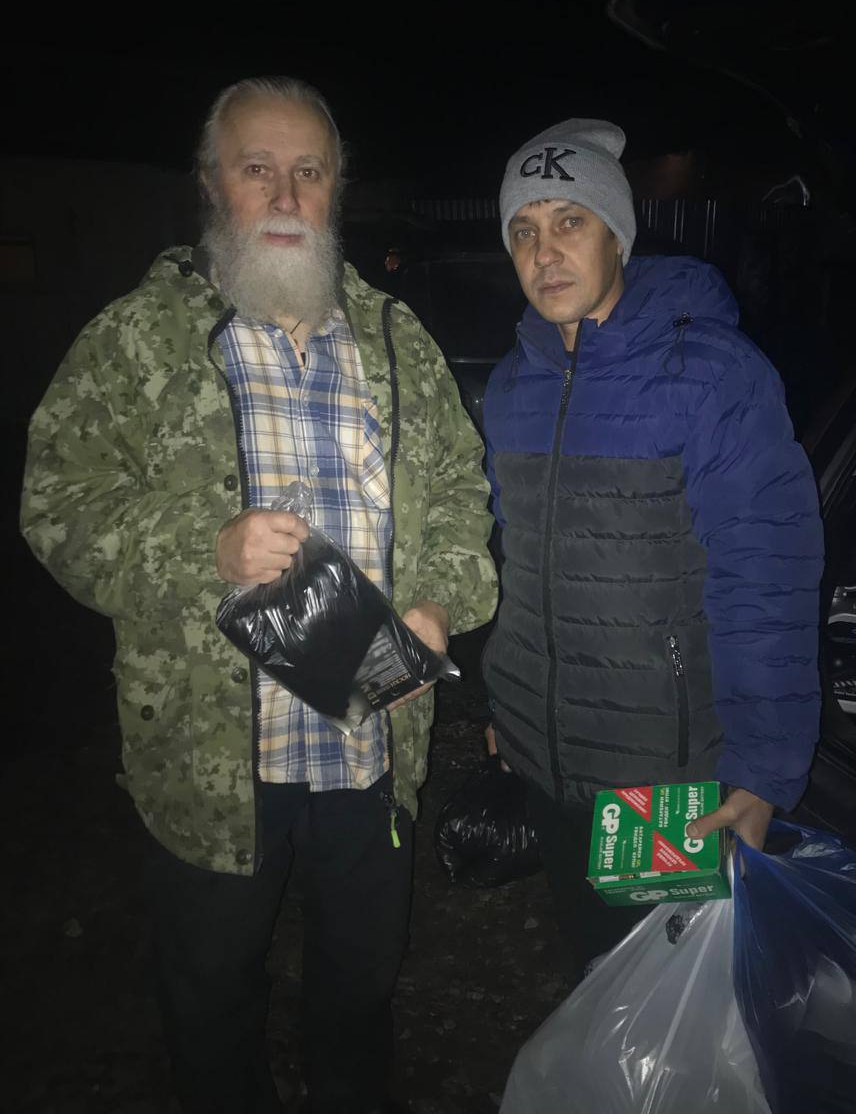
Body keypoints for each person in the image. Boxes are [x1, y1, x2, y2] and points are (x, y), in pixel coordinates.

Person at [20, 76, 498, 1114]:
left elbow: (464, 493)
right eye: (257, 168)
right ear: (211, 184)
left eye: (308, 171)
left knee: (360, 988)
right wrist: (204, 546)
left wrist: (436, 606)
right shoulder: (135, 339)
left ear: (336, 190)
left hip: (372, 740)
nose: (285, 194)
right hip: (209, 762)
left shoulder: (397, 340)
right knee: (210, 999)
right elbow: (55, 504)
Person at [482, 119, 824, 975]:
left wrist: (762, 768)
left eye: (570, 221)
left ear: (617, 235)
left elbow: (765, 573)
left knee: (660, 992)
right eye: (523, 230)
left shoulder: (709, 374)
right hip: (545, 759)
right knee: (590, 978)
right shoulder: (513, 384)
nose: (544, 252)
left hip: (661, 775)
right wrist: (510, 702)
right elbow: (520, 563)